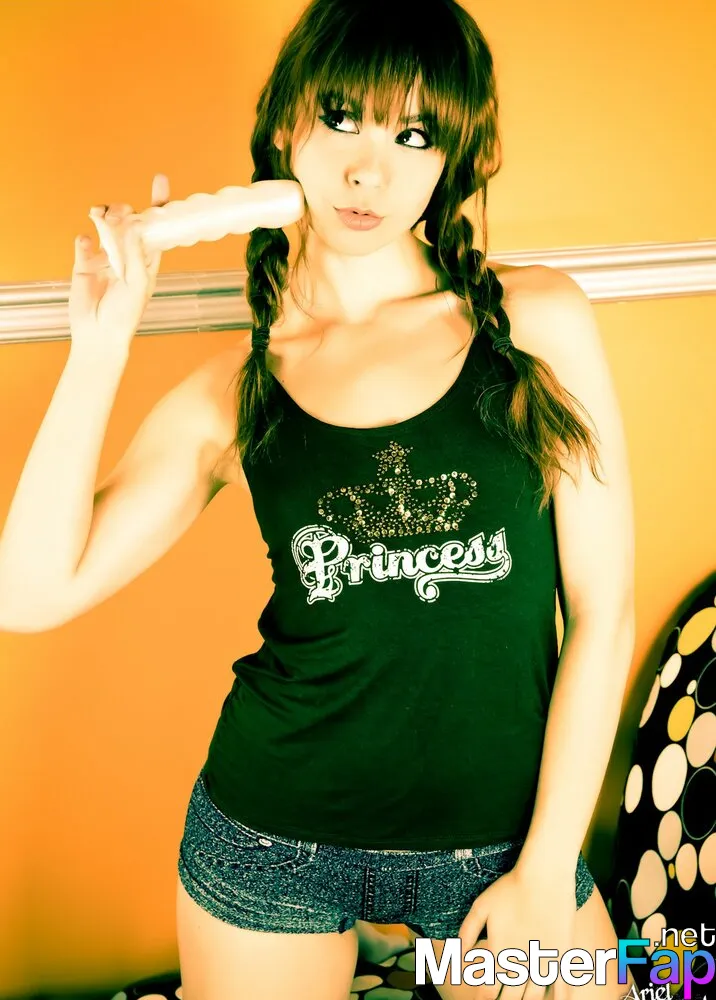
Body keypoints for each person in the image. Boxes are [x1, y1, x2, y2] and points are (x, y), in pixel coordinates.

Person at [0, 0, 637, 997]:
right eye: (341, 118)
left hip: (501, 847)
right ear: (284, 126)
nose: (367, 171)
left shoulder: (535, 322)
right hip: (273, 841)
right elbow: (28, 594)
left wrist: (547, 868)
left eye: (413, 135)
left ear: (450, 160)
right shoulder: (237, 389)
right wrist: (101, 343)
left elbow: (603, 611)